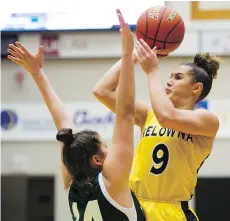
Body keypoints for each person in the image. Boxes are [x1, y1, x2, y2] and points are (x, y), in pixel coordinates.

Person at [7, 10, 146, 221]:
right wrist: (127, 56)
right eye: (106, 146)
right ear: (97, 159)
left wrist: (37, 73)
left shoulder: (73, 185)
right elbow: (125, 113)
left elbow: (64, 124)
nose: (111, 149)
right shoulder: (112, 181)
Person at [93, 21, 220, 221]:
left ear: (196, 88)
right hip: (134, 206)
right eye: (169, 76)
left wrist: (153, 72)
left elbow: (167, 116)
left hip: (171, 211)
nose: (169, 80)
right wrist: (132, 55)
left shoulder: (206, 120)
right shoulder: (148, 114)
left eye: (178, 77)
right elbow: (102, 91)